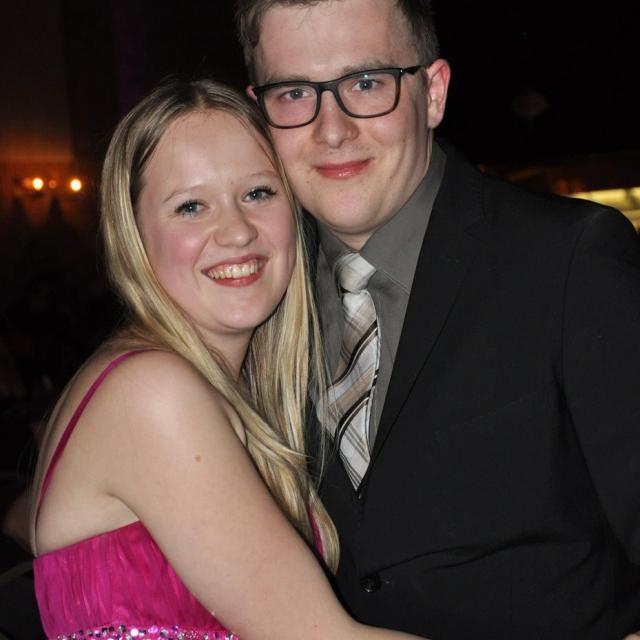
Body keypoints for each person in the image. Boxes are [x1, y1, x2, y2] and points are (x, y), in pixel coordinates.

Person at [235, 0, 640, 638]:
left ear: (432, 93)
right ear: (258, 113)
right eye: (294, 94)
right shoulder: (249, 301)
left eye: (366, 83)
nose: (331, 130)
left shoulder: (569, 259)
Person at [28, 78, 427, 640]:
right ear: (135, 236)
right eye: (191, 206)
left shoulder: (195, 388)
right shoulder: (151, 393)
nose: (237, 231)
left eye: (259, 193)